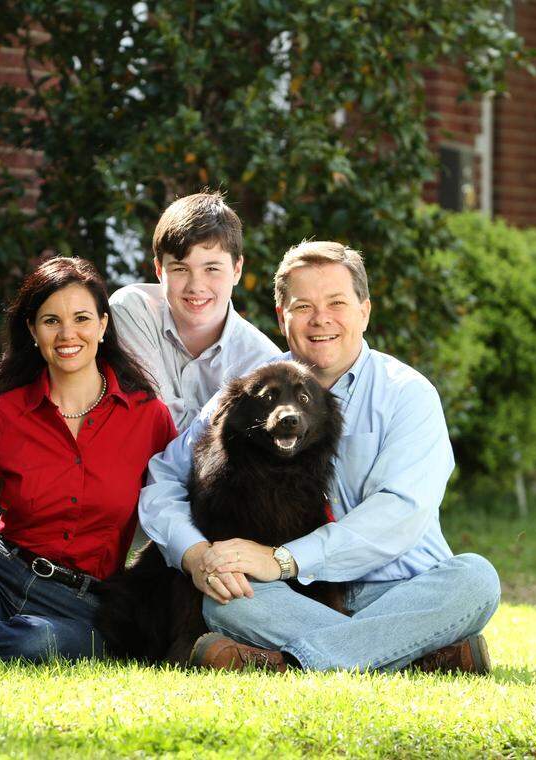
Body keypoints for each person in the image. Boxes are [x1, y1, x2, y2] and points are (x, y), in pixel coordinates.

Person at [139, 241, 501, 674]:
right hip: (294, 594)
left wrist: (283, 560)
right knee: (227, 601)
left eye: (336, 303)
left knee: (475, 580)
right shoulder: (255, 390)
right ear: (282, 317)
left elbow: (400, 513)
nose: (320, 319)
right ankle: (414, 654)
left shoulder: (407, 393)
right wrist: (194, 553)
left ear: (364, 311)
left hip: (399, 589)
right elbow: (164, 475)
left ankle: (290, 661)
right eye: (303, 306)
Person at [0, 256, 177, 662]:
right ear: (32, 331)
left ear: (104, 325)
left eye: (81, 318)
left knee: (34, 644)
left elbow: (176, 505)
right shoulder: (6, 413)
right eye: (51, 320)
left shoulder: (148, 417)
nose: (67, 333)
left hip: (88, 601)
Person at [110, 192, 280, 430]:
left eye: (211, 268)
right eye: (180, 269)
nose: (196, 286)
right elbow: (154, 421)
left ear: (237, 270)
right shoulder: (134, 311)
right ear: (159, 271)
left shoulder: (263, 362)